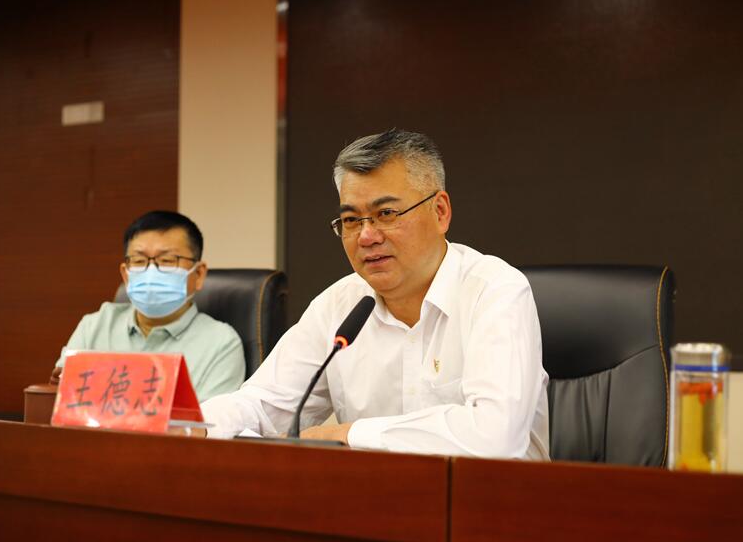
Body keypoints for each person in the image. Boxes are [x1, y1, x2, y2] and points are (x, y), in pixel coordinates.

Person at [201, 129, 549, 459]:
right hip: (371, 499)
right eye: (352, 220)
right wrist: (194, 427)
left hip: (495, 498)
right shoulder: (338, 306)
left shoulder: (495, 291)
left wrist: (348, 435)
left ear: (440, 212)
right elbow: (264, 404)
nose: (366, 236)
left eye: (386, 214)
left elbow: (495, 436)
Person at [52, 211, 245, 402]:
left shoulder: (221, 343)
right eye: (139, 261)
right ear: (125, 274)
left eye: (167, 260)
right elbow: (61, 401)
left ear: (199, 274)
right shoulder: (94, 326)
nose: (151, 271)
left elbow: (209, 420)